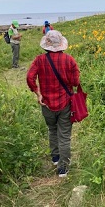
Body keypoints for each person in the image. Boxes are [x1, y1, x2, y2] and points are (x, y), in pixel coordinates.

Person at [26, 30, 80, 177]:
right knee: (64, 135)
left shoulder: (39, 60)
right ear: (61, 45)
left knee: (52, 129)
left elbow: (30, 78)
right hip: (65, 103)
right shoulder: (69, 60)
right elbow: (75, 82)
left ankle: (56, 158)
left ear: (46, 45)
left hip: (47, 104)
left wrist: (38, 93)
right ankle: (63, 168)